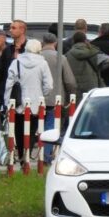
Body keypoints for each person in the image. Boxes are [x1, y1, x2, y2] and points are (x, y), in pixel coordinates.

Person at [4, 40, 53, 165]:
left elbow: (9, 84)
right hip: (36, 105)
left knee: (19, 132)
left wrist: (7, 103)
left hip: (18, 104)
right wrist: (42, 95)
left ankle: (21, 157)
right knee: (31, 132)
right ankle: (27, 154)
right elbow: (49, 85)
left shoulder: (16, 62)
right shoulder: (43, 64)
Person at [41, 33, 77, 164]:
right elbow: (69, 81)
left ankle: (33, 154)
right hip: (55, 98)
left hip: (36, 99)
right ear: (55, 43)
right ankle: (46, 155)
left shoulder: (37, 57)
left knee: (35, 127)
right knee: (51, 127)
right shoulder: (61, 58)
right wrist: (70, 97)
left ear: (43, 42)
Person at [66, 32, 104, 100]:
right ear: (85, 40)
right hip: (91, 86)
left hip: (75, 87)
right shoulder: (93, 53)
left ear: (73, 41)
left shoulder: (67, 55)